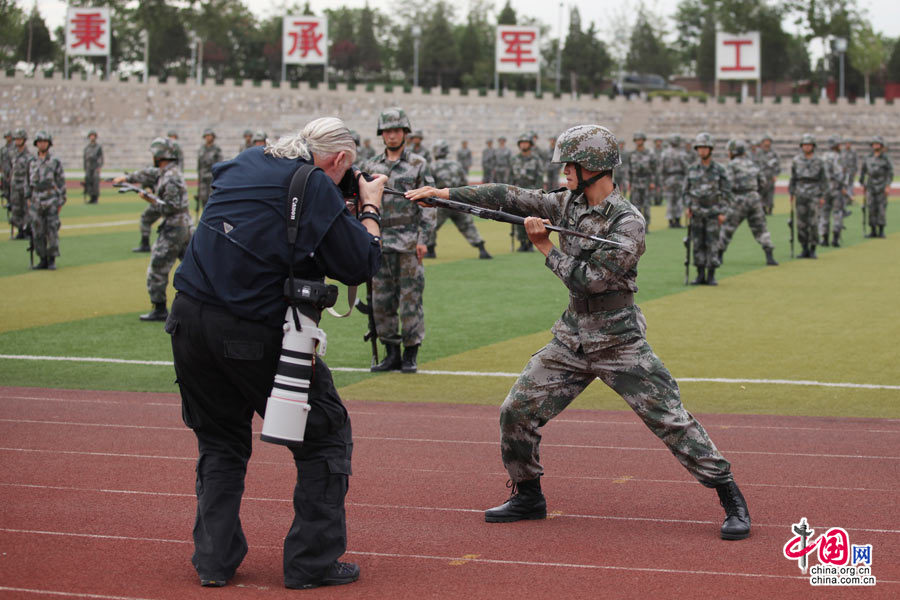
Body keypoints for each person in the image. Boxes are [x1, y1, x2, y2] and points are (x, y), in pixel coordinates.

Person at [405, 124, 751, 541]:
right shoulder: (566, 203)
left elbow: (592, 280)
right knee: (516, 410)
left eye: (571, 164)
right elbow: (507, 195)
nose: (565, 170)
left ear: (596, 166)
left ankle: (730, 497)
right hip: (572, 337)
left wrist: (545, 248)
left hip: (618, 340)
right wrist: (444, 194)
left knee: (671, 420)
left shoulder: (628, 221)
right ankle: (528, 495)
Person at [167, 117, 384, 589]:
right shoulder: (316, 185)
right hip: (251, 327)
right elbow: (359, 263)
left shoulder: (246, 161)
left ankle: (214, 561)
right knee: (324, 434)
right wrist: (369, 208)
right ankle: (311, 562)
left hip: (187, 319)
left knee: (220, 441)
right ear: (339, 159)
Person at [362, 107, 435, 374]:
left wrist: (423, 239)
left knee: (410, 300)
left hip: (408, 242)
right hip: (379, 241)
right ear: (381, 134)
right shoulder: (370, 166)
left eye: (396, 130)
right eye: (387, 131)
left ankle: (410, 353)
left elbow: (429, 204)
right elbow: (362, 204)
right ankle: (391, 352)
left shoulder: (418, 164)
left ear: (405, 132)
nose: (391, 135)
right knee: (381, 301)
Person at [114, 138, 192, 320]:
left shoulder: (171, 178)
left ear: (159, 155)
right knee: (194, 267)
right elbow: (149, 173)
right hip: (184, 227)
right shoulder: (168, 172)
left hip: (174, 229)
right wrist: (128, 178)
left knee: (157, 268)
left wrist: (150, 200)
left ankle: (159, 309)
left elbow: (171, 207)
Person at [426, 139, 491, 259]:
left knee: (431, 226)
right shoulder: (456, 165)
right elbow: (464, 183)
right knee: (467, 226)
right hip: (457, 201)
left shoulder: (432, 166)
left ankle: (430, 251)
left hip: (441, 203)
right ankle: (482, 250)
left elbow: (429, 186)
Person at [718, 139, 777, 266]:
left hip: (738, 199)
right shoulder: (753, 164)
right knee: (761, 228)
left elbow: (728, 184)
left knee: (728, 227)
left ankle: (719, 255)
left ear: (733, 152)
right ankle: (769, 256)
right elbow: (763, 182)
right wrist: (754, 193)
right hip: (754, 198)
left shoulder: (731, 165)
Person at [683, 132, 732, 285]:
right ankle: (699, 274)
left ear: (711, 149)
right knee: (697, 243)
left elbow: (726, 192)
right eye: (700, 148)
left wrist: (723, 212)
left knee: (712, 243)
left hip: (713, 212)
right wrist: (688, 206)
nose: (702, 151)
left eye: (705, 148)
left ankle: (711, 274)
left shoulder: (720, 169)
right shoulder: (692, 169)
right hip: (696, 212)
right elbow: (685, 191)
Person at [27, 131, 66, 270]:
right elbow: (27, 182)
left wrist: (61, 200)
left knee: (52, 230)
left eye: (45, 142)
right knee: (37, 231)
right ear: (36, 144)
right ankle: (42, 259)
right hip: (36, 199)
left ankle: (52, 259)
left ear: (49, 144)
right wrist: (28, 198)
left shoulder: (55, 161)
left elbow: (61, 181)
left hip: (51, 199)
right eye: (40, 142)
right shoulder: (31, 161)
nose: (42, 144)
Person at [788, 134, 827, 258]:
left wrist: (823, 195)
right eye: (805, 145)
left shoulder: (819, 161)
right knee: (801, 223)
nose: (807, 147)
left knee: (813, 222)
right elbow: (793, 178)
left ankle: (813, 248)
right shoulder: (796, 160)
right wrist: (791, 192)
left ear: (813, 146)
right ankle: (804, 248)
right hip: (800, 193)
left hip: (814, 193)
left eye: (809, 145)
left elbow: (823, 179)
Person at [510, 132, 544, 251]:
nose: (524, 145)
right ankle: (522, 242)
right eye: (522, 143)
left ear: (530, 144)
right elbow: (511, 177)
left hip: (531, 192)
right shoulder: (514, 159)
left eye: (526, 143)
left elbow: (539, 178)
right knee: (518, 218)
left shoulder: (536, 160)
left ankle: (530, 243)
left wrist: (537, 194)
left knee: (531, 218)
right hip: (517, 192)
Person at [859, 135, 893, 239]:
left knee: (881, 208)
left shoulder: (886, 158)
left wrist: (888, 185)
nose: (876, 145)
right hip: (870, 186)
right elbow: (863, 171)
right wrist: (862, 183)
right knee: (871, 208)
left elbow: (890, 173)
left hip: (882, 186)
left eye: (877, 144)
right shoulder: (867, 157)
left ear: (881, 145)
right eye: (874, 144)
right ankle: (873, 230)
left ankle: (881, 230)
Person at [627, 131, 658, 231]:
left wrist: (652, 182)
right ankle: (638, 225)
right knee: (635, 206)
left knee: (646, 205)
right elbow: (629, 170)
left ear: (643, 140)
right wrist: (629, 183)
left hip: (646, 181)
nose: (638, 141)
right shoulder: (632, 154)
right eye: (636, 140)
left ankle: (646, 225)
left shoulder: (650, 153)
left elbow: (654, 169)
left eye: (640, 139)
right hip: (635, 181)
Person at [819, 136, 846, 247]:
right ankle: (835, 238)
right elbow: (839, 174)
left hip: (824, 190)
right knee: (837, 213)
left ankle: (824, 238)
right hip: (835, 189)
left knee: (824, 214)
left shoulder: (823, 156)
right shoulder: (838, 157)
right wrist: (843, 186)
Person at [660, 134, 688, 228]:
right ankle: (677, 221)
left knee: (670, 200)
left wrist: (663, 182)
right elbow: (686, 168)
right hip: (680, 178)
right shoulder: (682, 153)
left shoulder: (665, 153)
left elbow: (662, 169)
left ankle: (670, 221)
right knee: (679, 200)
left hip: (669, 179)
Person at [8, 129, 32, 240]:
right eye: (16, 139)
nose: (17, 141)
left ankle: (27, 230)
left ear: (24, 140)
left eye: (19, 139)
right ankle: (20, 230)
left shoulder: (29, 156)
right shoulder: (13, 154)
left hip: (24, 186)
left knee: (26, 209)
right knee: (16, 208)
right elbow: (11, 169)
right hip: (14, 186)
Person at [197, 128, 223, 213]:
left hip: (213, 178)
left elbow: (220, 164)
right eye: (206, 136)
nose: (208, 137)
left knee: (212, 198)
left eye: (209, 136)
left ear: (213, 137)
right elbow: (199, 165)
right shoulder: (201, 149)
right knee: (203, 197)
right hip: (203, 178)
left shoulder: (217, 149)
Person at [756, 134, 780, 215]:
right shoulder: (758, 153)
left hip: (770, 177)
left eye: (768, 141)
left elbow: (778, 165)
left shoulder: (774, 153)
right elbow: (755, 164)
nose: (767, 143)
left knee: (770, 193)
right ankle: (762, 208)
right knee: (760, 193)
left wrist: (776, 175)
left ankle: (770, 208)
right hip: (760, 176)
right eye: (765, 141)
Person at [82, 130, 104, 204]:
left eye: (93, 136)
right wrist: (85, 168)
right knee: (89, 182)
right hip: (88, 167)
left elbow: (101, 158)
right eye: (91, 136)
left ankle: (95, 198)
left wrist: (99, 167)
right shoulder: (87, 148)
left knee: (95, 182)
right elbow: (85, 158)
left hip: (95, 166)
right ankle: (91, 197)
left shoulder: (98, 147)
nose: (92, 137)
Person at [1, 130, 13, 214]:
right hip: (4, 175)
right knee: (6, 192)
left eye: (9, 137)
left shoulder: (15, 149)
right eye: (6, 137)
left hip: (12, 175)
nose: (7, 138)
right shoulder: (3, 149)